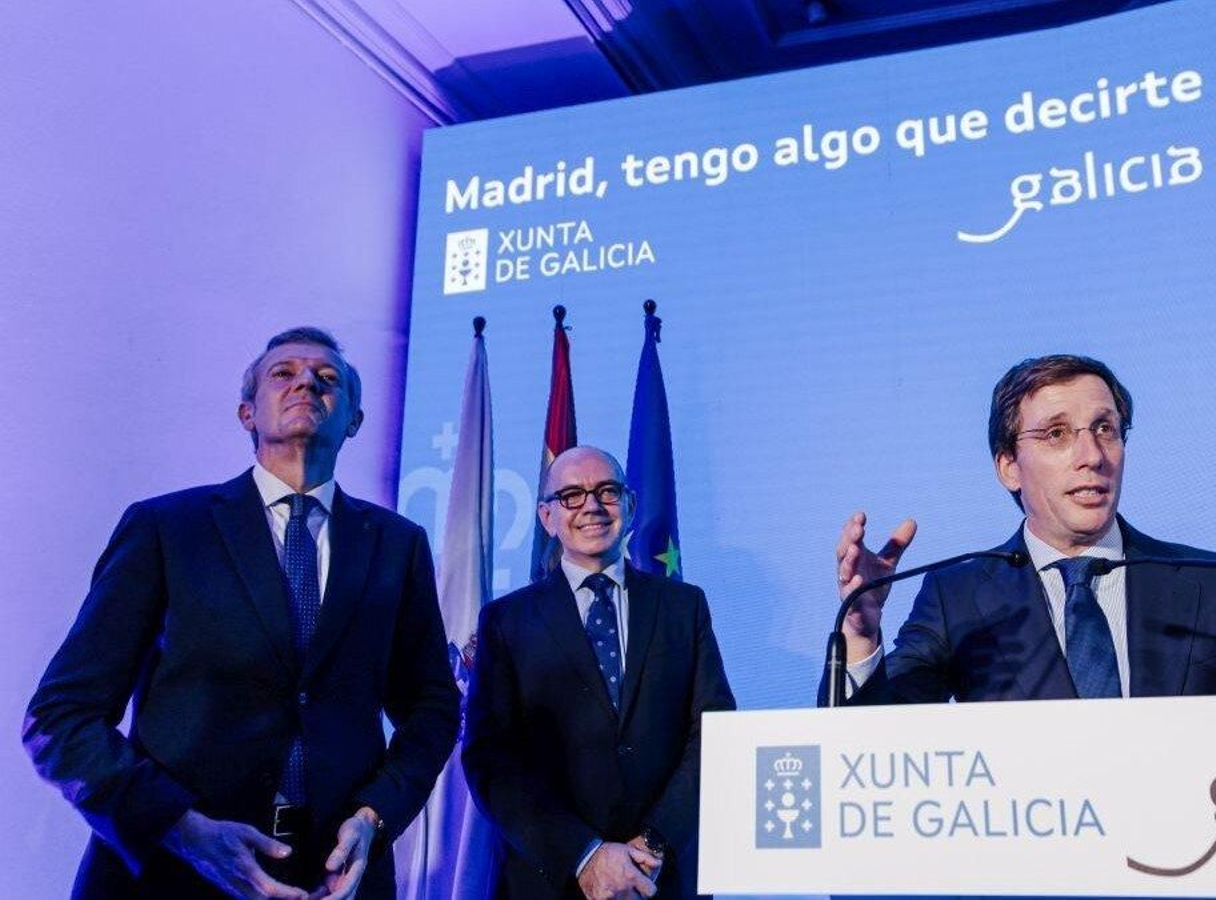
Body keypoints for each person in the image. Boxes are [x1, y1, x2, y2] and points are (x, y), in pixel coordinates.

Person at [24, 328, 459, 899]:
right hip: (170, 874)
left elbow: (431, 708)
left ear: (353, 420)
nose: (307, 382)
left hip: (335, 877)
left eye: (328, 378)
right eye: (284, 373)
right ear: (246, 413)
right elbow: (61, 717)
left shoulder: (397, 545)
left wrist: (375, 815)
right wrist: (179, 828)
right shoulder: (167, 529)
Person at [829, 354, 1216, 705]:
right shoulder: (959, 595)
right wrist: (859, 636)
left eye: (1106, 429)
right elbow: (880, 756)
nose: (1091, 455)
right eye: (1057, 434)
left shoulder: (1208, 583)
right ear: (1008, 466)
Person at [463, 446, 735, 900]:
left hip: (664, 877)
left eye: (607, 491)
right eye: (571, 495)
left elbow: (713, 733)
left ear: (630, 505)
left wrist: (652, 845)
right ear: (547, 517)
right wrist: (585, 855)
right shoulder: (506, 622)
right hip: (552, 881)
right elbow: (490, 758)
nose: (591, 506)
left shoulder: (683, 607)